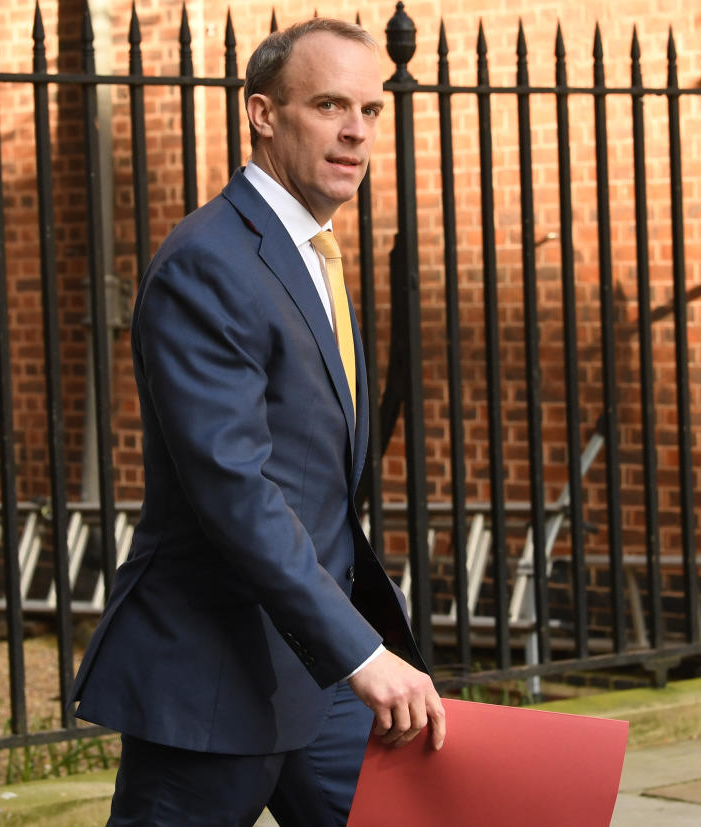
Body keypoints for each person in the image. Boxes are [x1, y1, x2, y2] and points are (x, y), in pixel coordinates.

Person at [72, 18, 446, 826]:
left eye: (371, 111)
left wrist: (351, 644)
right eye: (329, 104)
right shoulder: (210, 261)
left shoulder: (308, 250)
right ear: (263, 114)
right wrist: (363, 653)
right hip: (212, 681)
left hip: (315, 678)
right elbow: (236, 490)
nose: (356, 131)